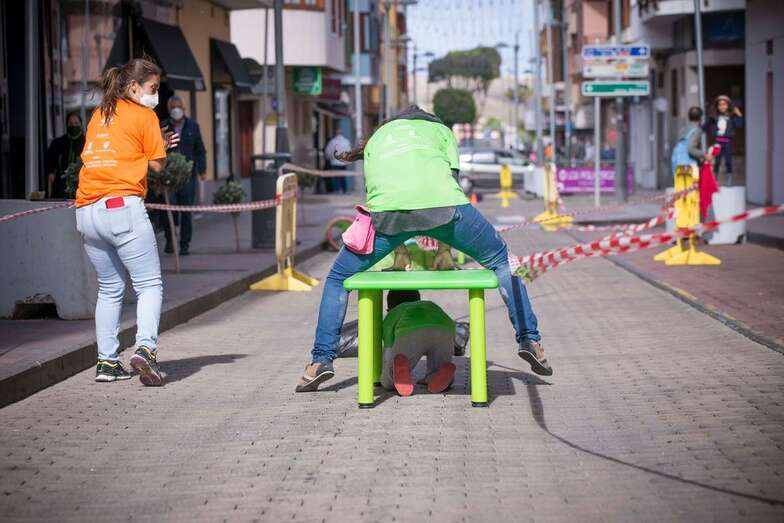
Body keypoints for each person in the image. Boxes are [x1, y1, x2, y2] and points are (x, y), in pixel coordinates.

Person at [296, 106, 549, 393]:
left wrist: (401, 240)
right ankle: (529, 339)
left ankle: (320, 360)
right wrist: (441, 243)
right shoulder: (441, 131)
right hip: (445, 208)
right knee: (502, 261)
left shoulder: (378, 138)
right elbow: (450, 181)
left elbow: (377, 190)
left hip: (388, 215)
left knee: (337, 279)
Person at [75, 57, 178, 386]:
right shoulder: (144, 115)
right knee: (149, 285)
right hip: (122, 206)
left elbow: (114, 151)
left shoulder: (100, 113)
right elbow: (158, 164)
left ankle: (107, 363)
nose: (155, 94)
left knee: (109, 288)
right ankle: (145, 349)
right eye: (152, 88)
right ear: (133, 87)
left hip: (87, 210)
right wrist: (162, 144)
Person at [380, 290, 457, 396]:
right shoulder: (428, 304)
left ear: (389, 309)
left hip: (411, 329)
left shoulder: (394, 312)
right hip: (445, 328)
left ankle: (395, 375)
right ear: (418, 300)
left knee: (388, 378)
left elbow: (388, 346)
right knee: (439, 366)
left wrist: (387, 367)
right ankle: (436, 374)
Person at [160, 95, 207, 255]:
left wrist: (202, 170)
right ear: (169, 109)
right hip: (168, 175)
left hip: (188, 176)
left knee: (186, 211)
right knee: (169, 209)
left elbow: (200, 150)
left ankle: (184, 244)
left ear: (183, 108)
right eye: (173, 107)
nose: (176, 110)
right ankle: (170, 240)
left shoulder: (192, 126)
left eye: (178, 106)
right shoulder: (164, 126)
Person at [45, 112, 86, 198]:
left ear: (81, 125)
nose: (73, 126)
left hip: (82, 184)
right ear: (66, 125)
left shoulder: (87, 142)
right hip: (61, 185)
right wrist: (51, 172)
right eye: (70, 123)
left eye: (76, 123)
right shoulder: (57, 143)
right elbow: (50, 161)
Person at [704, 95, 743, 180]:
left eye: (724, 104)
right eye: (720, 105)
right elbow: (706, 125)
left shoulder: (731, 117)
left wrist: (739, 114)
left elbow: (739, 124)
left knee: (728, 161)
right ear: (717, 106)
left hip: (728, 142)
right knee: (717, 161)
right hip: (718, 142)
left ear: (728, 105)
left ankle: (729, 179)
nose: (722, 107)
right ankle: (715, 179)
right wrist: (698, 129)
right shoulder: (714, 116)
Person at [672, 106, 712, 177]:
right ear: (700, 118)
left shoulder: (683, 129)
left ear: (689, 117)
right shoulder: (697, 131)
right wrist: (704, 155)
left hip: (679, 165)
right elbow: (690, 149)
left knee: (682, 184)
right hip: (690, 167)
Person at [324, 127, 351, 193]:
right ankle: (344, 190)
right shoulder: (346, 141)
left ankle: (337, 190)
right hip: (343, 162)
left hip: (334, 162)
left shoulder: (332, 142)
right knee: (343, 176)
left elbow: (328, 152)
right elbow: (349, 151)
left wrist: (329, 158)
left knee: (335, 177)